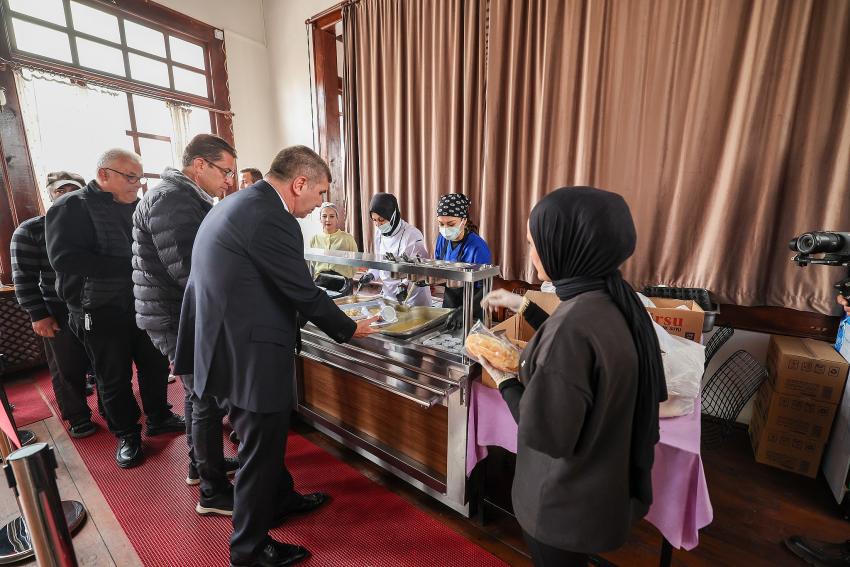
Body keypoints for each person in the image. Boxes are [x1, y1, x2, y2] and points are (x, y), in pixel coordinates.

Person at [174, 145, 377, 567]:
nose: (322, 202)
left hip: (221, 342)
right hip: (249, 352)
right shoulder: (272, 217)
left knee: (264, 438)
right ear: (298, 183)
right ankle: (248, 548)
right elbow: (302, 290)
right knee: (259, 451)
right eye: (320, 193)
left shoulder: (239, 202)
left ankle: (281, 499)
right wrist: (348, 327)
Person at [479, 187, 667, 567]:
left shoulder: (573, 327)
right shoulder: (615, 299)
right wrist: (524, 306)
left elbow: (545, 433)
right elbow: (580, 356)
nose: (531, 254)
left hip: (561, 503)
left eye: (534, 243)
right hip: (599, 491)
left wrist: (504, 380)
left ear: (567, 245)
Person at [46, 148, 184, 469]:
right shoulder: (71, 207)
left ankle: (160, 416)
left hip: (143, 303)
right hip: (99, 309)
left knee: (154, 365)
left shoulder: (138, 207)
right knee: (114, 376)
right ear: (104, 174)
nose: (137, 183)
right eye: (130, 177)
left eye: (140, 177)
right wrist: (130, 266)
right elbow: (64, 259)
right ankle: (127, 434)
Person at [132, 134, 240, 513]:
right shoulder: (172, 200)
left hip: (178, 311)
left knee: (198, 394)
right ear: (199, 165)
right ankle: (212, 492)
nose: (229, 180)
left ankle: (201, 465)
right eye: (225, 171)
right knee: (208, 394)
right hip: (174, 314)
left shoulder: (183, 197)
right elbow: (190, 269)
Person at [11, 171, 96, 438]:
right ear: (50, 195)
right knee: (66, 368)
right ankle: (77, 416)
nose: (68, 194)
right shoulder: (30, 230)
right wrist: (38, 315)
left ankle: (112, 410)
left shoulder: (95, 225)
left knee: (106, 363)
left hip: (96, 305)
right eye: (61, 190)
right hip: (56, 309)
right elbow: (23, 278)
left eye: (75, 189)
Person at [433, 193, 492, 329]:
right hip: (449, 303)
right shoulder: (442, 240)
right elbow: (439, 270)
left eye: (451, 224)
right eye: (441, 224)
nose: (445, 229)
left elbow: (485, 289)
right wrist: (425, 279)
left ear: (464, 220)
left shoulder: (478, 247)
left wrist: (465, 311)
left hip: (474, 308)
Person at [368, 193, 432, 306]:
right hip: (388, 295)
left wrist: (404, 285)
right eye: (374, 220)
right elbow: (379, 261)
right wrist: (371, 274)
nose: (378, 224)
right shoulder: (379, 233)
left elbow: (420, 269)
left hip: (413, 298)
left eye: (381, 219)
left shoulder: (412, 234)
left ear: (392, 215)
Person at [309, 201, 359, 292]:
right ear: (320, 219)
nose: (328, 219)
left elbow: (355, 265)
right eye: (324, 216)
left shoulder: (347, 239)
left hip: (343, 282)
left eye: (332, 216)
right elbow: (313, 264)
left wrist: (347, 278)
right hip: (321, 281)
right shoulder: (314, 239)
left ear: (337, 219)